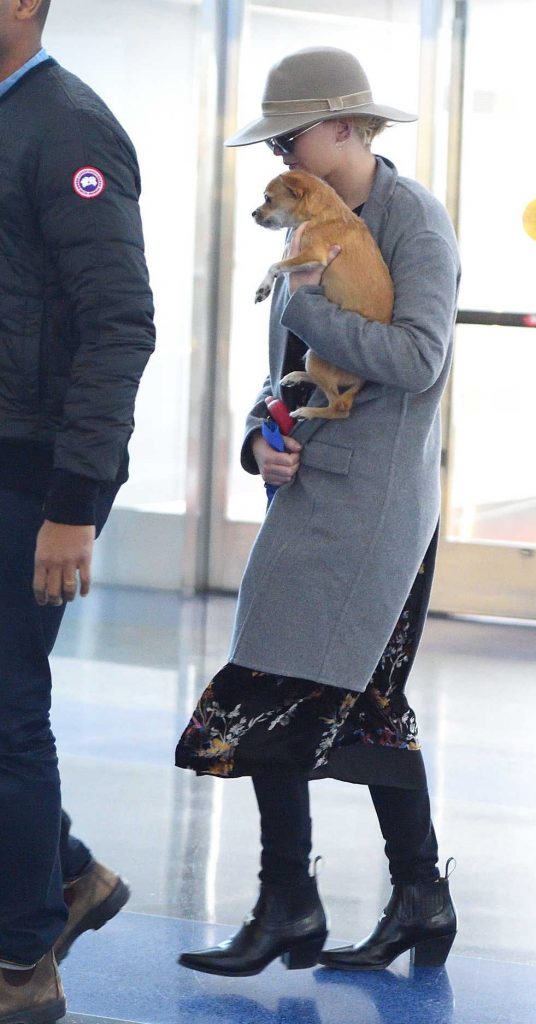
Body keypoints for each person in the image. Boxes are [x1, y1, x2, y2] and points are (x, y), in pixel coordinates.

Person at [176, 45, 460, 976]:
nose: (281, 157)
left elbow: (419, 360)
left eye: (291, 136)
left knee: (283, 686)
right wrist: (261, 436)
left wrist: (308, 313)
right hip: (312, 495)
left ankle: (291, 905)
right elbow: (282, 376)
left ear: (346, 126)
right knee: (359, 702)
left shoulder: (412, 219)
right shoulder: (307, 220)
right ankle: (404, 898)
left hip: (378, 508)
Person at [0, 1, 155, 1021]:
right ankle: (71, 875)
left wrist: (74, 506)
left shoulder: (69, 127)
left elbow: (119, 323)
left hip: (32, 474)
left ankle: (23, 959)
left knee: (7, 708)